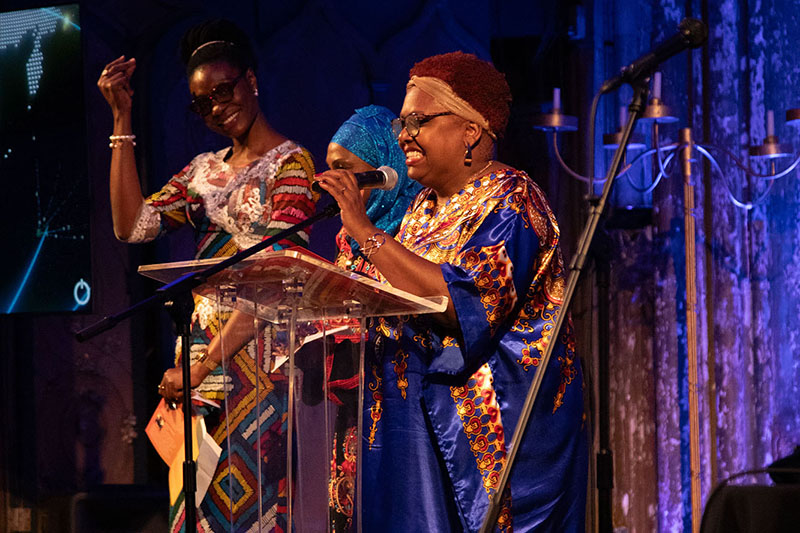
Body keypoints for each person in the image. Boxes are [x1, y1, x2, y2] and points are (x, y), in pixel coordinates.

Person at [315, 51, 587, 532]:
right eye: (401, 123)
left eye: (417, 121)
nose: (404, 135)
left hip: (490, 440)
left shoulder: (512, 198)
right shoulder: (422, 208)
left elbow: (461, 304)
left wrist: (365, 232)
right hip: (415, 429)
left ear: (470, 132)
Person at [97, 20, 316, 532]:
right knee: (198, 504)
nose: (217, 108)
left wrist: (202, 366)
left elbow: (273, 280)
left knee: (257, 504)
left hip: (259, 357)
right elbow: (132, 226)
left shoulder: (292, 166)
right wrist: (121, 119)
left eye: (224, 91)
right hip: (200, 358)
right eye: (202, 104)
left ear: (251, 81)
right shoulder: (203, 173)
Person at [322, 105, 421, 531]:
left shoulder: (415, 233)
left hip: (402, 404)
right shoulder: (346, 239)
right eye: (331, 170)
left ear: (384, 169)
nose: (335, 182)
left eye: (345, 169)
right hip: (354, 407)